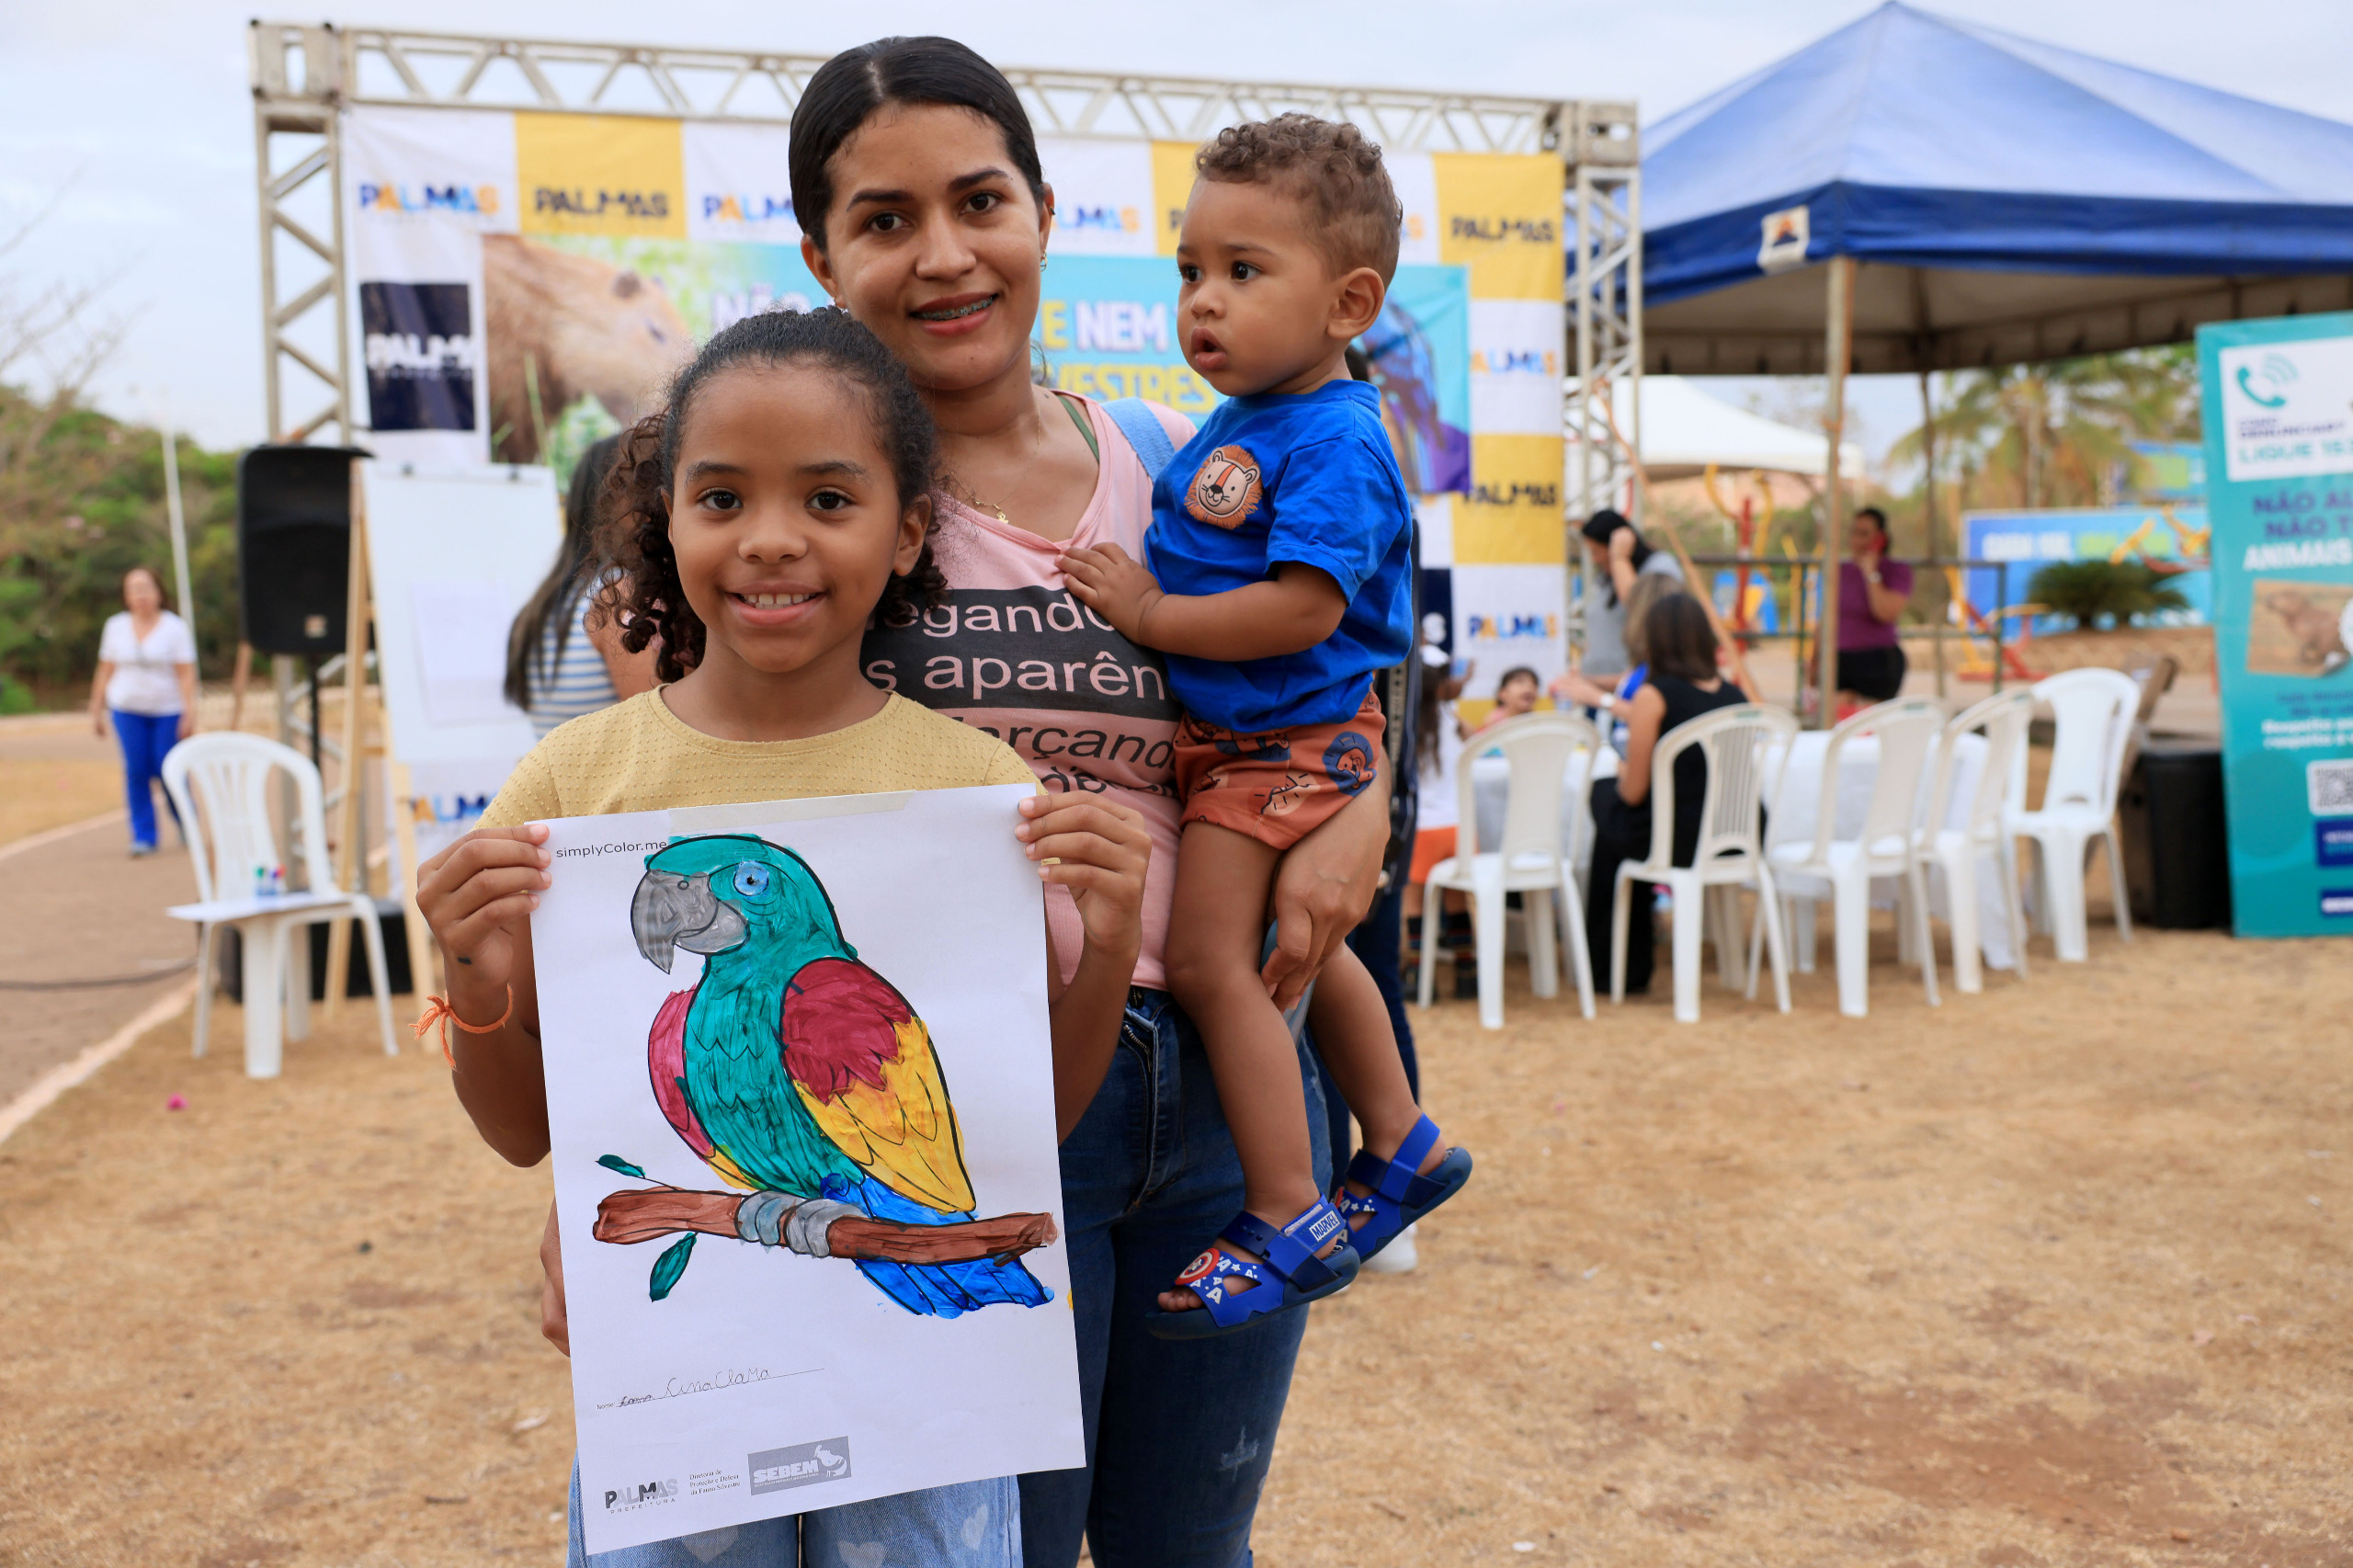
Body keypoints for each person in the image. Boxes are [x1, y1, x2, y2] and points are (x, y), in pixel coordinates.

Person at [533, 39, 1393, 1567]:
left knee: (1192, 1544)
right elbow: (653, 829)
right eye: (883, 220)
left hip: (1218, 1083)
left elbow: (1314, 663)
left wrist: (1364, 794)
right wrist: (606, 1156)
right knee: (995, 1539)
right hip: (965, 1113)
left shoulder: (1174, 461)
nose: (944, 254)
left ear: (1045, 213)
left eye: (980, 200)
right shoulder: (801, 525)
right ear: (820, 255)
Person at [413, 309, 1153, 1567]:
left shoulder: (974, 785)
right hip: (689, 1399)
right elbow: (520, 1126)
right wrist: (472, 971)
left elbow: (1042, 1121)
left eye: (826, 496)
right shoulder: (574, 785)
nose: (770, 538)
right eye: (721, 496)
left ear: (908, 527)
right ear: (670, 519)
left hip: (926, 1398)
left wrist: (1112, 927)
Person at [1057, 112, 1467, 1339]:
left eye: (1244, 272)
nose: (1206, 302)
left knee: (1209, 964)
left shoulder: (1335, 437)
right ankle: (1402, 1138)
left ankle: (1288, 1203)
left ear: (1348, 301)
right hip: (1259, 749)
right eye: (1191, 270)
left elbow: (1302, 609)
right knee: (1314, 950)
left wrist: (1151, 610)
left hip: (1275, 751)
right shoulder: (1251, 421)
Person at [1581, 594, 1751, 995]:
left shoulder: (1653, 696)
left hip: (1674, 839)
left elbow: (1635, 791)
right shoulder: (1736, 698)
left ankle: (1615, 966)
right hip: (1733, 836)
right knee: (1618, 823)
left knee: (1606, 800)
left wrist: (1620, 774)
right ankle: (1623, 961)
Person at [504, 434, 660, 737]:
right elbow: (657, 732)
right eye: (646, 483)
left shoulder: (552, 601)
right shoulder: (618, 594)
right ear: (615, 500)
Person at [88, 564, 198, 857]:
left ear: (159, 592)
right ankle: (144, 835)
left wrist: (190, 712)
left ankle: (187, 822)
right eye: (134, 590)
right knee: (136, 770)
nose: (141, 596)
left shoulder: (175, 628)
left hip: (167, 709)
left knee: (168, 769)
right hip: (127, 709)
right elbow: (105, 668)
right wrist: (96, 708)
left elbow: (186, 674)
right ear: (126, 596)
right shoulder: (115, 627)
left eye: (146, 588)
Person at [1552, 573, 1681, 752]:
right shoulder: (1653, 657)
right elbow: (1628, 681)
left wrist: (1600, 699)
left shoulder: (1673, 664)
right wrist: (1585, 683)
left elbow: (1655, 717)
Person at [1576, 508, 1683, 680]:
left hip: (1631, 684)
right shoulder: (1606, 578)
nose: (1594, 560)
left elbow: (1638, 604)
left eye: (1596, 551)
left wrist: (1619, 557)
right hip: (1597, 680)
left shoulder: (1659, 566)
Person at [1831, 506, 1912, 704]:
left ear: (1880, 538)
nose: (1857, 540)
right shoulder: (1840, 571)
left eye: (1864, 534)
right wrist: (1815, 660)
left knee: (1870, 723)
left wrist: (1871, 574)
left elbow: (1885, 612)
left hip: (1876, 660)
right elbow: (1827, 616)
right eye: (1854, 533)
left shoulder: (1895, 570)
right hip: (1840, 658)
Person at [1474, 665, 1541, 732]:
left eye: (1534, 684)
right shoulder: (1493, 722)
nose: (1529, 687)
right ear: (1503, 693)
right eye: (1520, 682)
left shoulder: (1537, 722)